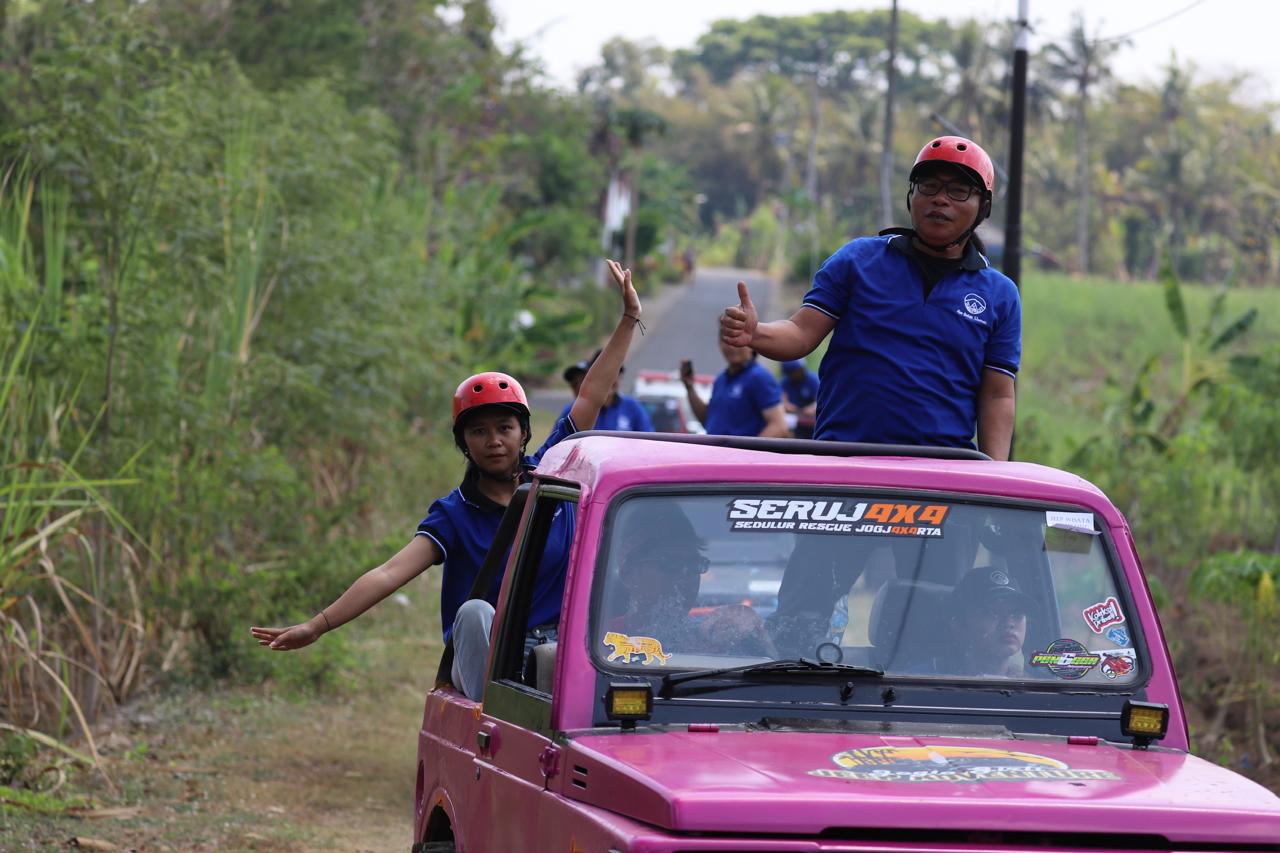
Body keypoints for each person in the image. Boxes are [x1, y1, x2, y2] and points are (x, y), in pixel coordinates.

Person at [250, 259, 645, 701]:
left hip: (561, 651)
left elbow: (591, 392)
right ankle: (491, 719)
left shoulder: (550, 473)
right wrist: (316, 626)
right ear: (463, 442)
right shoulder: (454, 514)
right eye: (479, 431)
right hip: (489, 659)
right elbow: (387, 574)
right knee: (475, 611)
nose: (493, 441)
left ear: (523, 432)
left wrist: (628, 318)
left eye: (504, 428)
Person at [719, 136, 1021, 460]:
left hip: (943, 474)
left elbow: (997, 396)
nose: (940, 200)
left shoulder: (999, 295)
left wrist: (996, 477)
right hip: (844, 461)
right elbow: (800, 333)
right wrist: (756, 333)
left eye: (958, 191)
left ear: (983, 208)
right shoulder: (858, 260)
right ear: (911, 196)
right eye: (928, 186)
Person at [607, 502, 775, 658]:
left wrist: (756, 634)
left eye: (694, 564)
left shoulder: (718, 639)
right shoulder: (599, 642)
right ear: (629, 575)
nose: (685, 574)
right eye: (670, 563)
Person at [928, 567, 1032, 677]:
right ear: (959, 627)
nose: (1008, 623)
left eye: (1017, 613)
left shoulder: (1042, 683)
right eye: (990, 613)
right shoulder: (923, 682)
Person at [680, 341, 789, 439]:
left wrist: (748, 456)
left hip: (738, 460)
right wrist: (690, 387)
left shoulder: (759, 377)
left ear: (752, 345)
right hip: (716, 457)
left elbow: (779, 427)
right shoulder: (721, 379)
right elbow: (709, 421)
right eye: (727, 341)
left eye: (739, 341)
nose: (732, 347)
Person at [559, 350, 654, 432]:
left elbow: (649, 443)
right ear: (591, 376)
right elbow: (555, 446)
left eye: (616, 373)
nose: (610, 380)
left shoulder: (632, 407)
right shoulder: (574, 410)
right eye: (604, 374)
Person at [779, 359, 819, 439]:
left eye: (801, 368)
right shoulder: (785, 382)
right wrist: (786, 405)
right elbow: (781, 400)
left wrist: (812, 408)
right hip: (794, 420)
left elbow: (820, 400)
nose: (801, 371)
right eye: (797, 370)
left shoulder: (812, 379)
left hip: (811, 421)